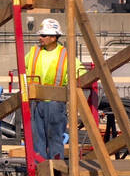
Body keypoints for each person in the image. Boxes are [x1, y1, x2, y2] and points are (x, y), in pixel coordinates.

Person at [24, 18, 86, 161]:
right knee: (37, 140)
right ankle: (41, 173)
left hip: (55, 103)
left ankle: (57, 170)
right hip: (36, 102)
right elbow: (22, 69)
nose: (40, 38)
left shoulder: (65, 55)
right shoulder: (34, 52)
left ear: (53, 37)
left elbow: (81, 74)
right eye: (41, 35)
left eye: (44, 35)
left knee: (54, 140)